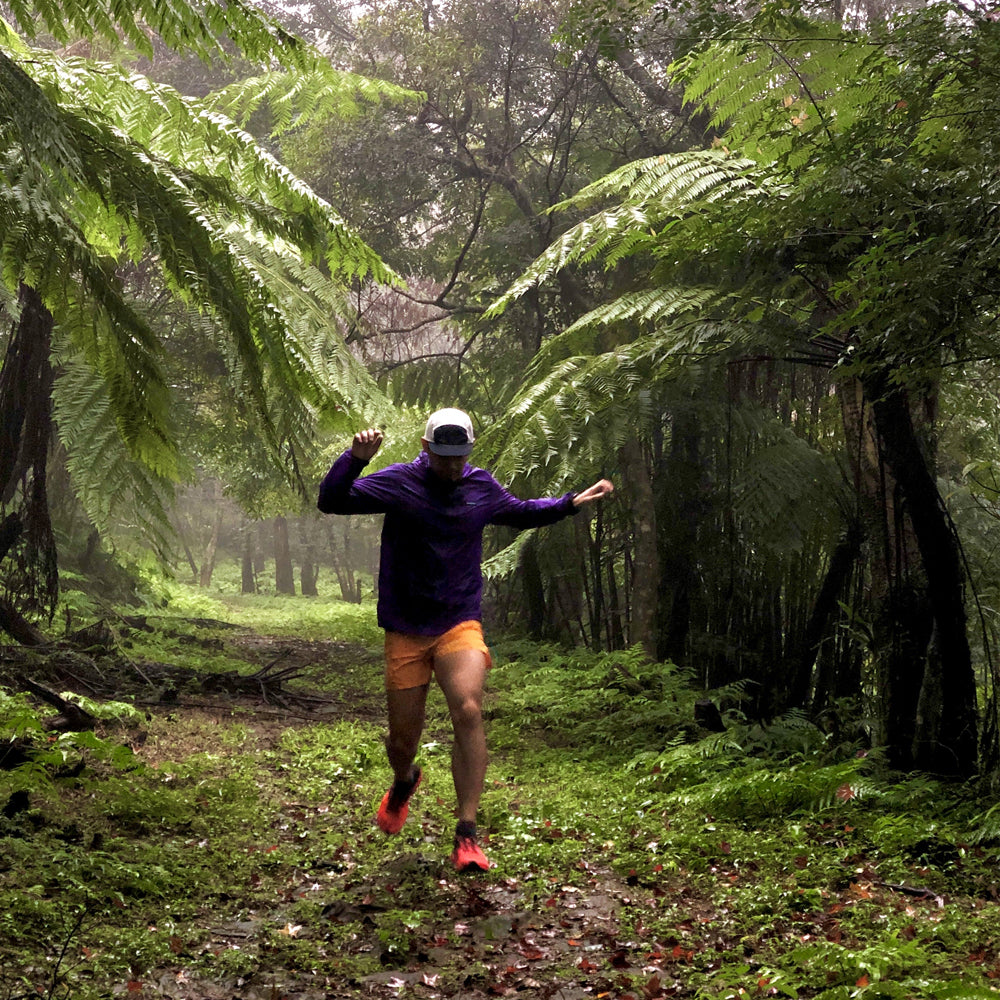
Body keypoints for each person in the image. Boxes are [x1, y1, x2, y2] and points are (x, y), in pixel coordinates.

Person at [317, 408, 613, 872]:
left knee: (469, 709)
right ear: (426, 447)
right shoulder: (399, 482)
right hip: (406, 627)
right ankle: (404, 779)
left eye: (460, 457)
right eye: (443, 457)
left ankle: (467, 833)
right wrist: (354, 459)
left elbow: (520, 512)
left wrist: (569, 503)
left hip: (459, 621)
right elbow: (333, 501)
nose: (453, 466)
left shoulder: (481, 486)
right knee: (402, 742)